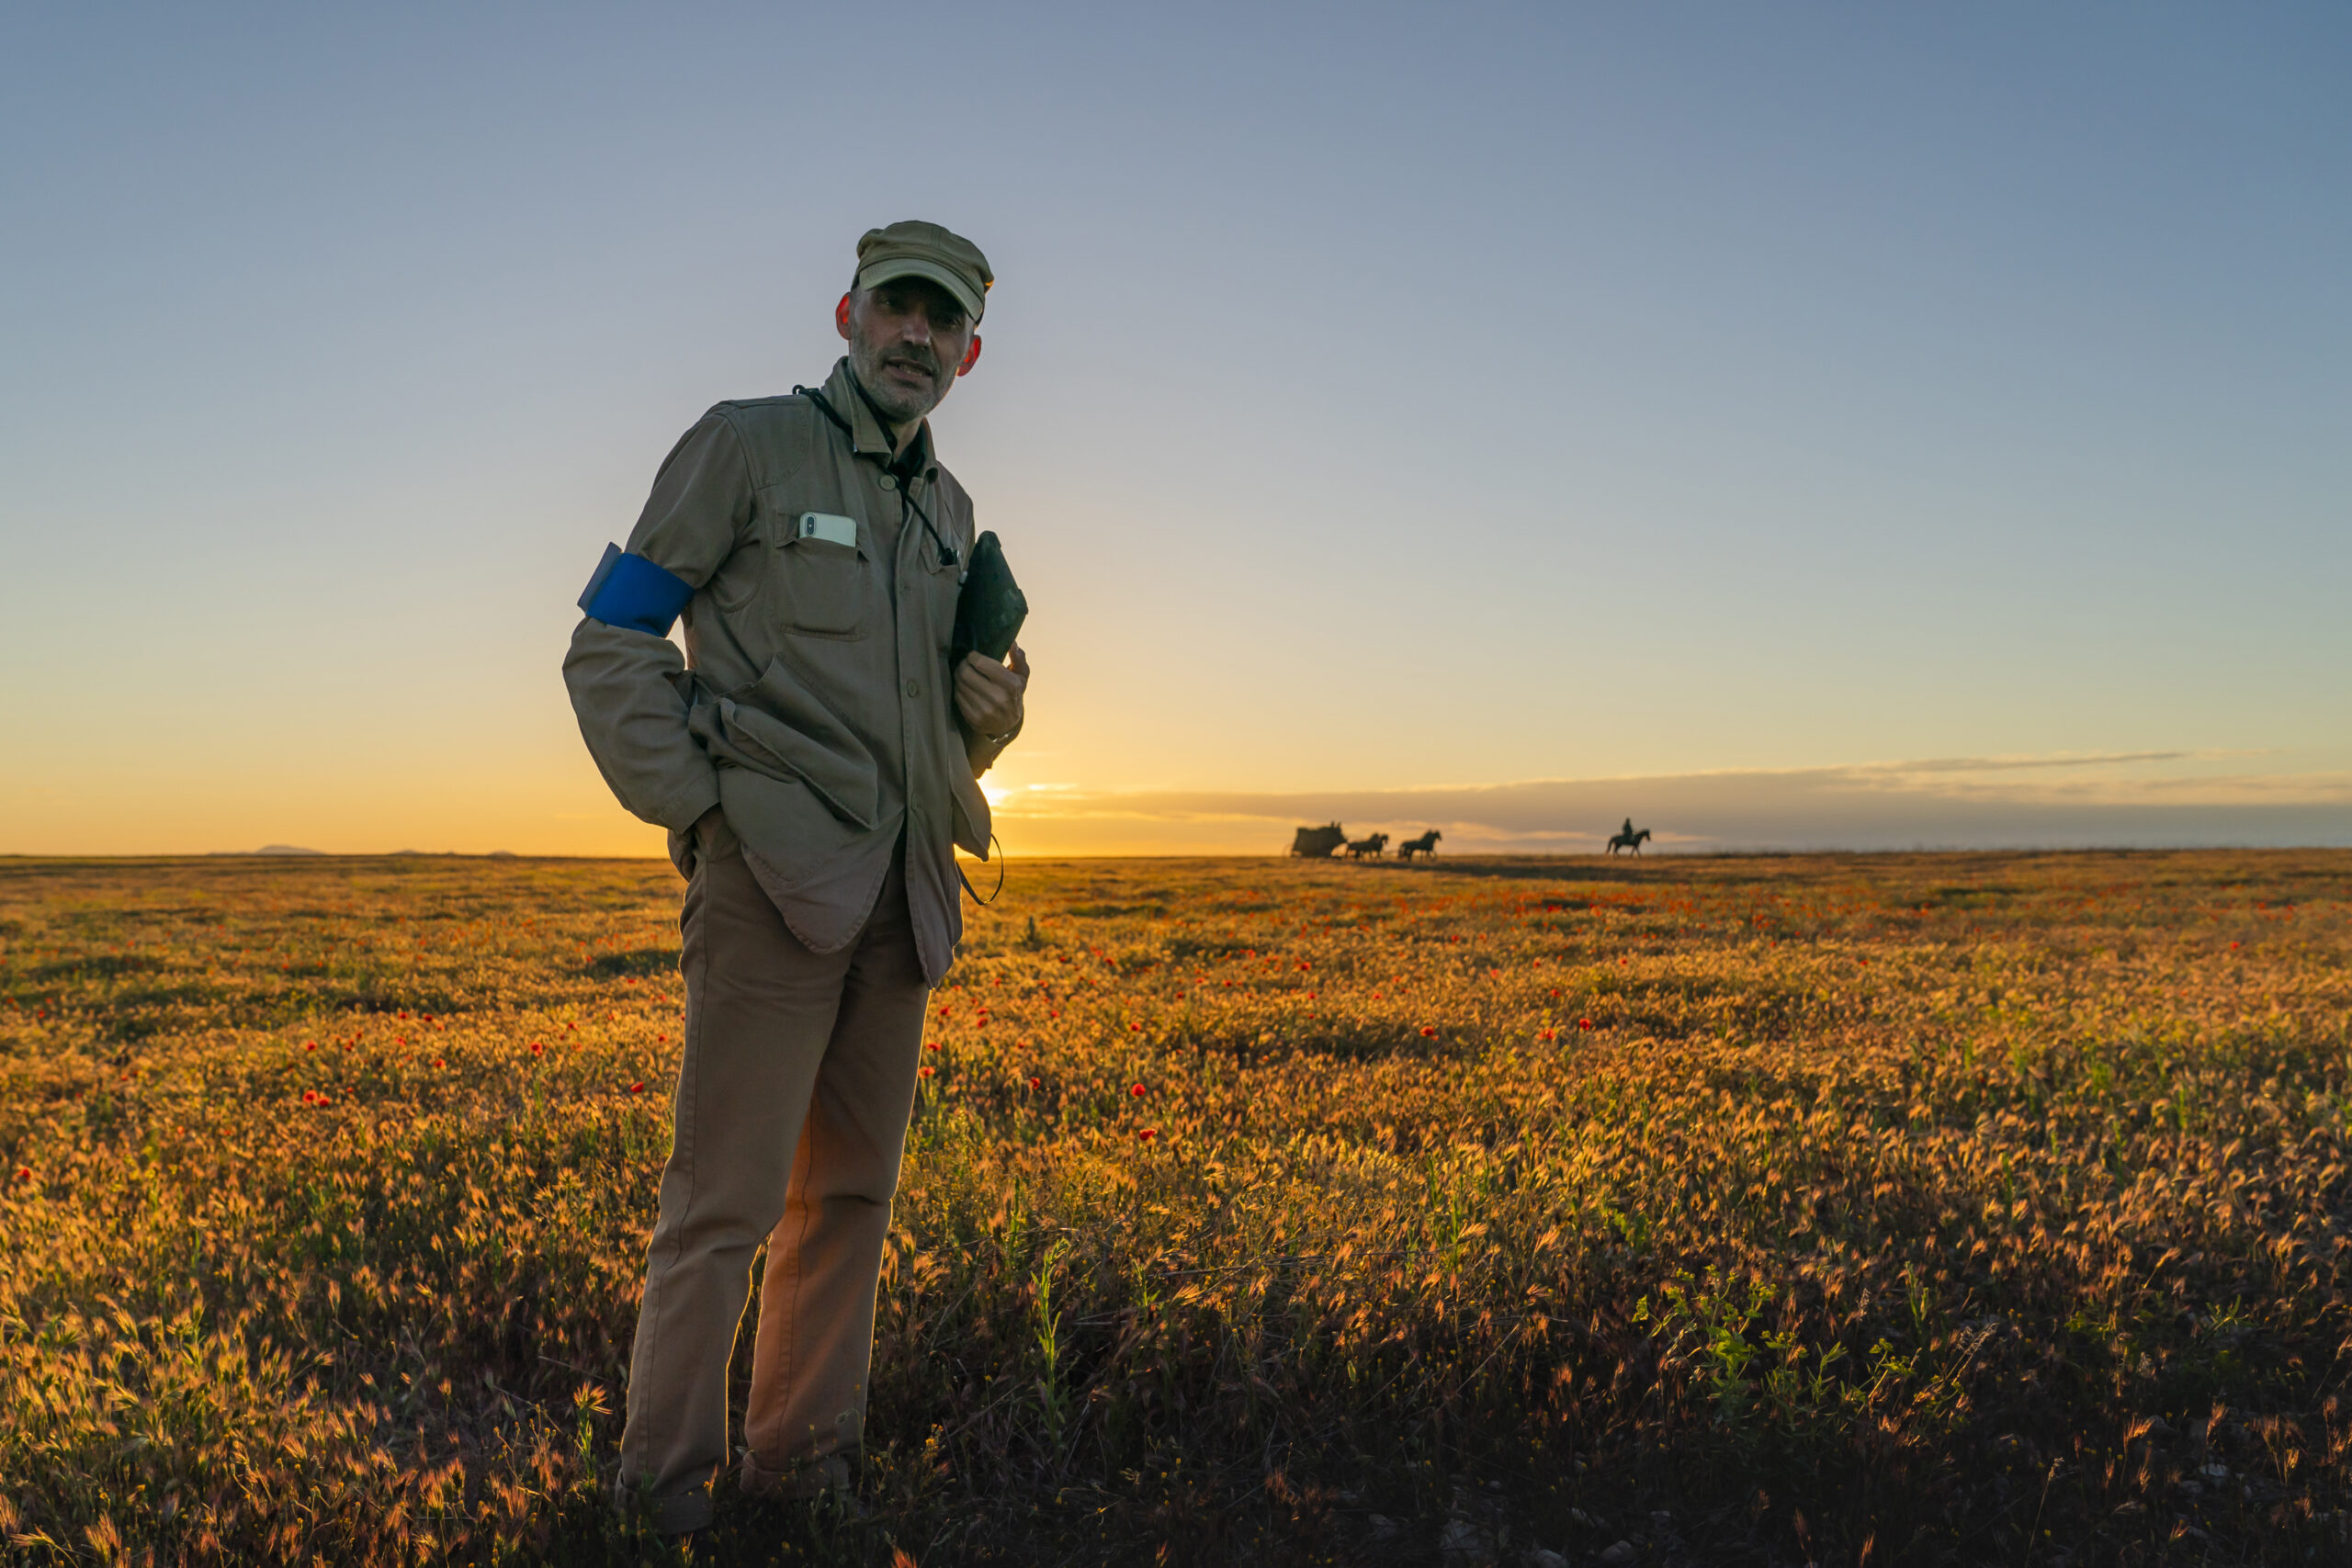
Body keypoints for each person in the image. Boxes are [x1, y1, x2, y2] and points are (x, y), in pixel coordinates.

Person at [562, 220, 1027, 1533]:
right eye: (898, 310)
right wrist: (707, 812)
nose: (916, 339)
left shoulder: (949, 513)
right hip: (771, 883)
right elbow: (613, 641)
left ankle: (799, 1480)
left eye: (943, 324)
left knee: (852, 1200)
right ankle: (660, 1505)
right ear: (848, 312)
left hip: (901, 897)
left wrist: (992, 714)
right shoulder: (745, 444)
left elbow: (933, 715)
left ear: (972, 354)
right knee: (723, 1209)